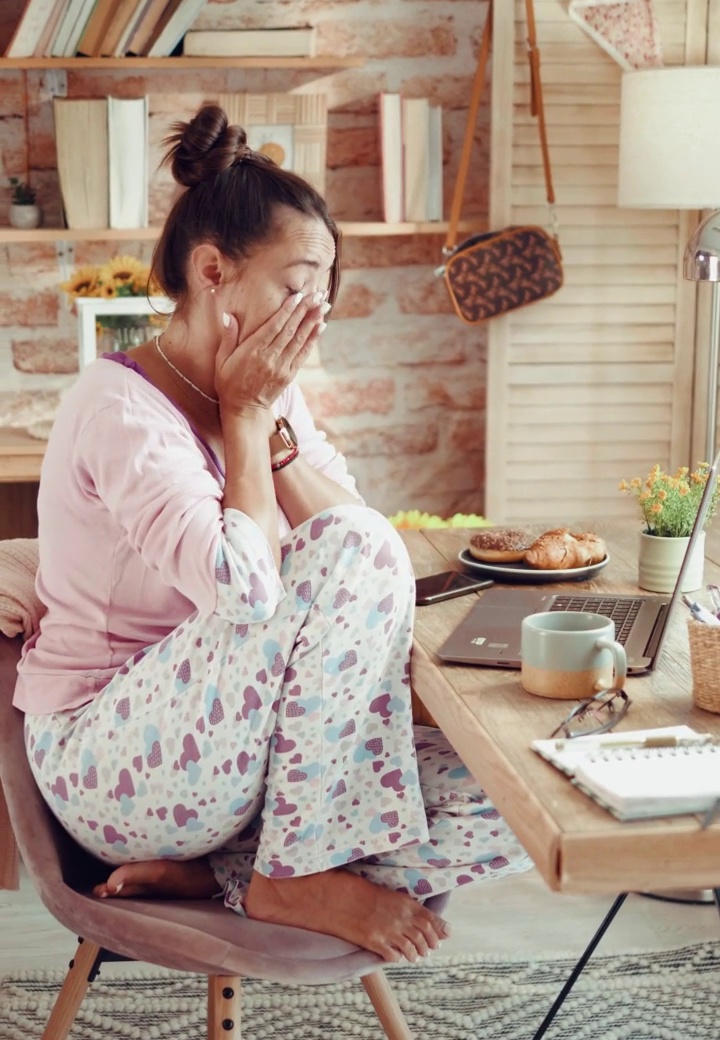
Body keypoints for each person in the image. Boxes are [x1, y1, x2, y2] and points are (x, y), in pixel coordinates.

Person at [15, 104, 530, 965]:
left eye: (324, 295)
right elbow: (247, 591)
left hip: (230, 758)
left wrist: (265, 418)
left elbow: (362, 561)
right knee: (355, 547)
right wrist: (246, 414)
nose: (313, 314)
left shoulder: (272, 393)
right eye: (296, 287)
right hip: (106, 759)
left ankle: (237, 872)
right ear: (212, 270)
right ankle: (293, 876)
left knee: (520, 791)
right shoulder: (117, 409)